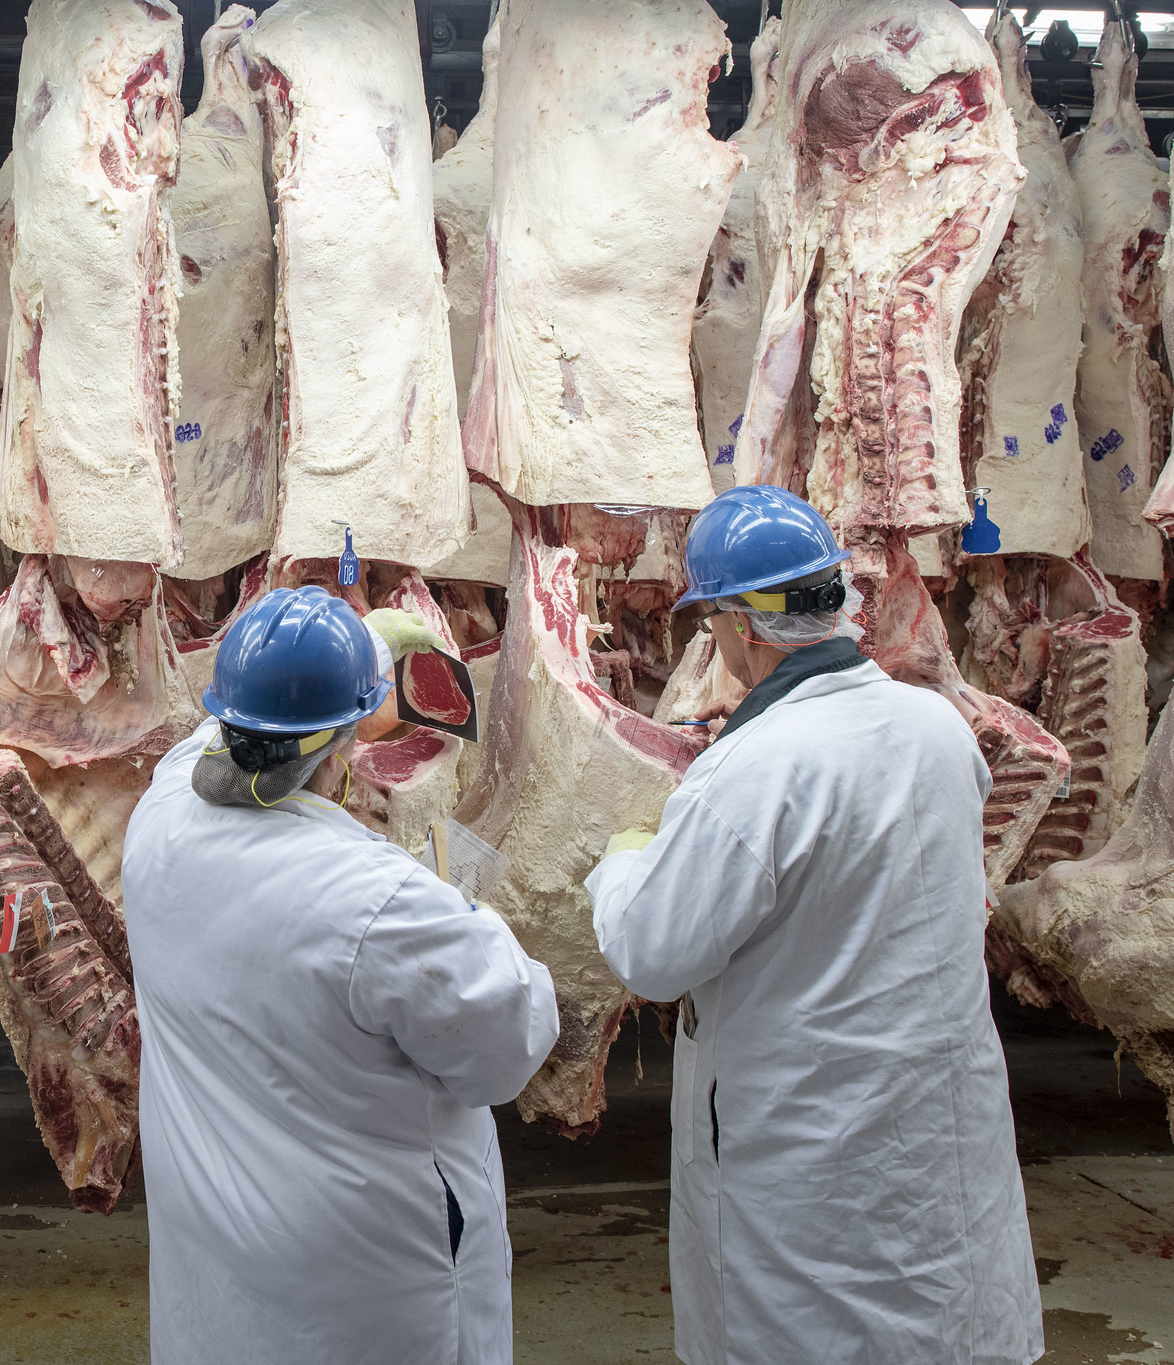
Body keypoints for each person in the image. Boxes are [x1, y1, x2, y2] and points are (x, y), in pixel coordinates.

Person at [585, 486, 1043, 1365]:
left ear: (742, 628)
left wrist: (625, 855)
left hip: (809, 1164)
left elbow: (649, 949)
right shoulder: (936, 728)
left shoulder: (756, 770)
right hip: (929, 1135)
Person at [121, 585, 559, 1365]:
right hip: (363, 1289)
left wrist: (350, 648)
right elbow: (512, 1042)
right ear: (354, 734)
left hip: (222, 1271)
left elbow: (211, 743)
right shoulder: (376, 901)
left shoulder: (158, 817)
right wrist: (466, 911)